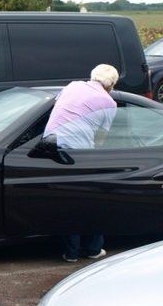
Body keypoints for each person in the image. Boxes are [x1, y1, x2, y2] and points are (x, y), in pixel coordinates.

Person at [43, 63, 119, 262]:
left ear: (92, 77)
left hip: (49, 146)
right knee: (90, 201)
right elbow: (102, 138)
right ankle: (94, 249)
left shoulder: (72, 86)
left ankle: (71, 252)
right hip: (79, 152)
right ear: (111, 85)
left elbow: (61, 110)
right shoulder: (109, 102)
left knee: (67, 201)